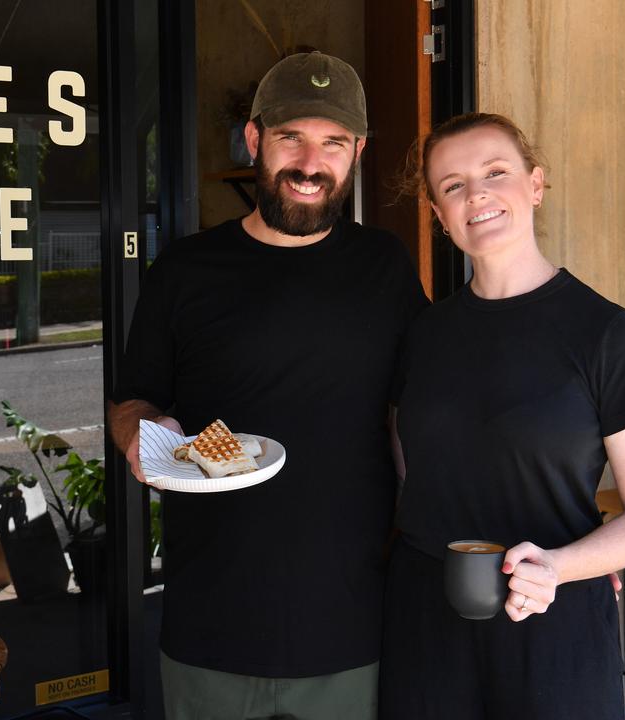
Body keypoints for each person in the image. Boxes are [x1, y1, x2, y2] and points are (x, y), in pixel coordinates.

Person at [108, 52, 427, 719]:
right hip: (210, 625)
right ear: (254, 139)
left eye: (333, 143)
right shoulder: (185, 270)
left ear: (358, 152)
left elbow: (424, 419)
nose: (311, 163)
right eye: (292, 138)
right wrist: (145, 434)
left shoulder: (385, 268)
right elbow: (132, 399)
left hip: (350, 622)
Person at [378, 112, 625, 720]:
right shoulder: (423, 334)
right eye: (453, 185)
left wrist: (566, 565)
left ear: (536, 184)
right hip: (426, 621)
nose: (477, 194)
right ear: (439, 214)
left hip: (553, 618)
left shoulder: (606, 333)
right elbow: (409, 470)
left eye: (496, 172)